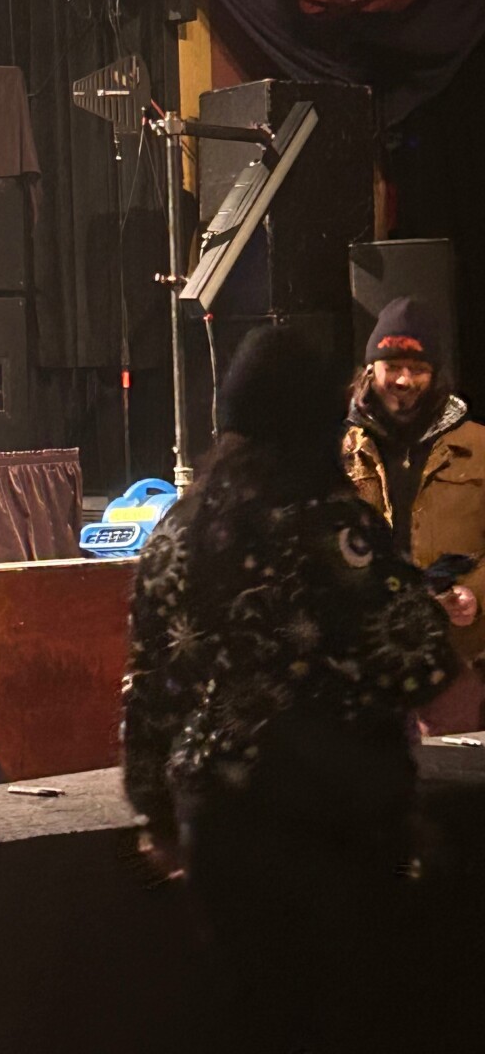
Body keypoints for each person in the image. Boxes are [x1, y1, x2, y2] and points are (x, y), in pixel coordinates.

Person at [123, 324, 454, 1054]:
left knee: (254, 1019)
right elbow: (422, 660)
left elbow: (149, 687)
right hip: (341, 821)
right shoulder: (339, 530)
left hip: (220, 822)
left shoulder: (178, 531)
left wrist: (156, 812)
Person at [344, 297, 485, 688]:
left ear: (436, 375)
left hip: (458, 664)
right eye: (392, 367)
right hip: (365, 668)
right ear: (370, 369)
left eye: (418, 369)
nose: (404, 381)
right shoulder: (339, 452)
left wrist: (476, 593)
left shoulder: (480, 447)